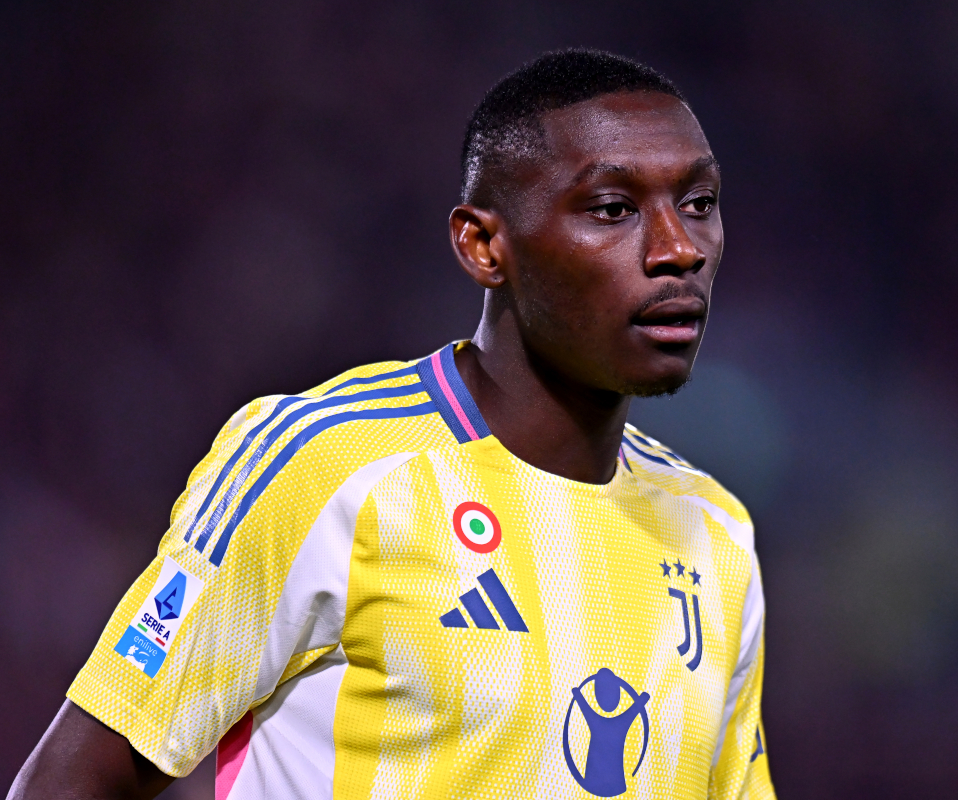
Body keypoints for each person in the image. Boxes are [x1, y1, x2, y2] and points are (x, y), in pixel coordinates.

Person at [9, 49, 774, 800]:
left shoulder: (717, 534)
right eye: (613, 209)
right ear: (483, 245)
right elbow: (75, 781)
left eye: (699, 203)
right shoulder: (325, 466)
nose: (679, 249)